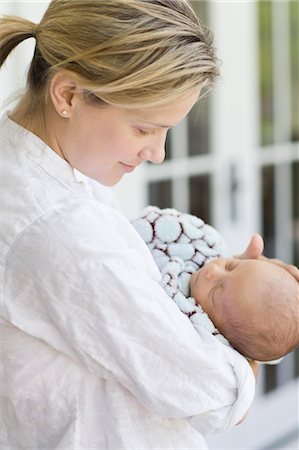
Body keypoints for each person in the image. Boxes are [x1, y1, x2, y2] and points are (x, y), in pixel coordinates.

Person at [0, 1, 298, 449]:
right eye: (144, 129)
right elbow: (214, 397)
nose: (157, 153)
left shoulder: (52, 174)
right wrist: (243, 323)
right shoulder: (60, 231)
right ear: (67, 96)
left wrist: (226, 286)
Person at [132, 206, 299, 363]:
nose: (212, 271)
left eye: (215, 292)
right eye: (230, 266)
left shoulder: (193, 330)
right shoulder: (206, 250)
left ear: (220, 334)